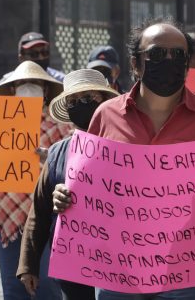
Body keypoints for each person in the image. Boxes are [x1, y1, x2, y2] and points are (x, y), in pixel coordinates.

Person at [52, 19, 195, 300]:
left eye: (178, 55)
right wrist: (65, 196)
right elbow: (83, 183)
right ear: (136, 63)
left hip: (184, 270)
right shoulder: (106, 116)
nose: (168, 61)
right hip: (115, 270)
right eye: (157, 54)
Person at [17, 68, 119, 299]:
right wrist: (29, 265)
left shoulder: (126, 147)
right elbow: (39, 211)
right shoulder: (58, 152)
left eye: (87, 98)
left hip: (118, 262)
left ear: (104, 101)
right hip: (76, 264)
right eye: (72, 101)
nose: (79, 105)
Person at [0, 60, 71, 300]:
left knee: (47, 287)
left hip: (46, 216)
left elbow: (70, 162)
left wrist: (49, 156)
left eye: (35, 83)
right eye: (22, 83)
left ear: (45, 90)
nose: (28, 87)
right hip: (6, 213)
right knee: (13, 289)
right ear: (12, 90)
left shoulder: (61, 125)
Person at [0, 32, 65, 89]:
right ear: (21, 58)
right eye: (33, 54)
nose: (41, 58)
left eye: (44, 52)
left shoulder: (62, 81)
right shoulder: (6, 82)